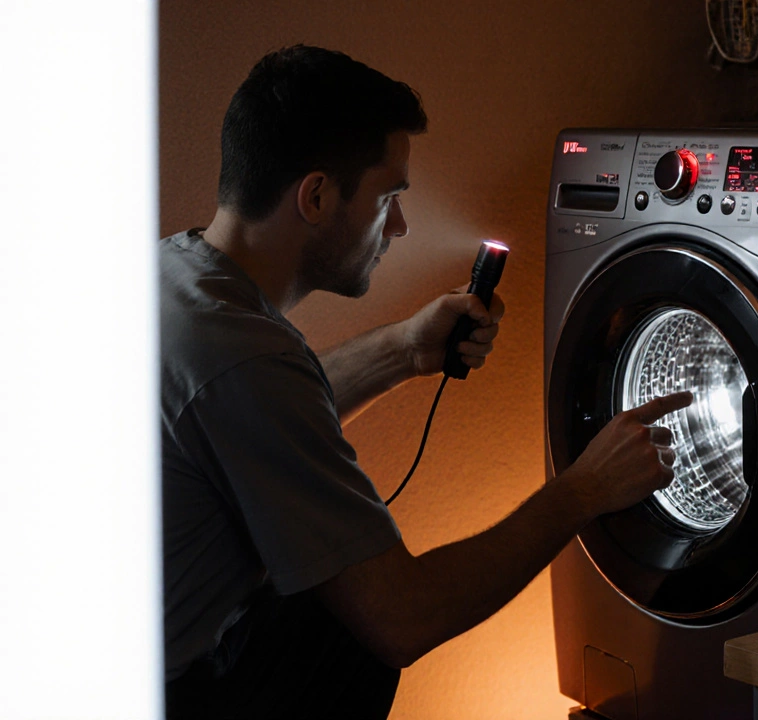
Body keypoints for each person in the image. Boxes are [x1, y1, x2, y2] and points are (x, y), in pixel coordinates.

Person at [160, 45, 691, 719]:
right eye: (389, 198)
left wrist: (404, 350)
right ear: (317, 196)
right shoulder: (247, 358)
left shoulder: (178, 278)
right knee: (345, 628)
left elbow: (254, 413)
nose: (402, 227)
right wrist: (584, 490)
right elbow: (402, 618)